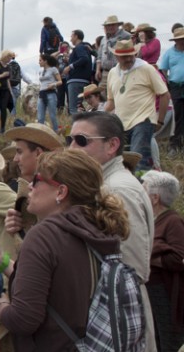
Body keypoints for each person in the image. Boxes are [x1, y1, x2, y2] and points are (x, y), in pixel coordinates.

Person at [0, 149, 130, 351]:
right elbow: (58, 288)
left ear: (61, 192)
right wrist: (3, 262)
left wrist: (0, 305)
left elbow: (23, 319)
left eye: (37, 180)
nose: (29, 186)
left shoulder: (43, 237)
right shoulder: (99, 231)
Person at [68, 111, 156, 351]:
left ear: (112, 145)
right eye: (70, 140)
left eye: (82, 140)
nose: (72, 148)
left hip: (119, 319)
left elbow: (132, 268)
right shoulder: (107, 184)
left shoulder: (118, 189)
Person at [104, 39, 170, 172]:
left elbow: (164, 94)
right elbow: (111, 101)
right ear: (117, 56)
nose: (128, 59)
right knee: (124, 161)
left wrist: (160, 120)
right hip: (121, 123)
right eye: (124, 56)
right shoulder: (112, 73)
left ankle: (142, 188)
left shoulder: (146, 68)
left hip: (143, 120)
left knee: (139, 159)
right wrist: (98, 116)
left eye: (131, 55)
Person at [142, 171, 184, 351]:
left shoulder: (173, 221)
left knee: (166, 340)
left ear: (155, 198)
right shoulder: (153, 221)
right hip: (153, 290)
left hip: (165, 293)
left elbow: (178, 258)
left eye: (145, 191)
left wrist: (149, 257)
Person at [159, 27, 184, 154]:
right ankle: (175, 144)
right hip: (176, 86)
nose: (182, 41)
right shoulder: (169, 53)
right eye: (180, 39)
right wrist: (168, 82)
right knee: (178, 115)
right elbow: (163, 69)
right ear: (176, 40)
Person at [96, 14, 131, 96]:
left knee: (118, 93)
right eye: (108, 25)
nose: (110, 27)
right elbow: (99, 56)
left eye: (112, 25)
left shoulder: (125, 36)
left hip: (120, 70)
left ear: (117, 25)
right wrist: (98, 70)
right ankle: (105, 109)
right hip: (105, 72)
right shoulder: (104, 39)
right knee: (101, 94)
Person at [36, 53, 62, 132]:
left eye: (40, 60)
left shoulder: (53, 69)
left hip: (51, 93)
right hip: (42, 93)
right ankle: (40, 133)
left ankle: (56, 131)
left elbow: (60, 81)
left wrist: (53, 84)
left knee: (52, 115)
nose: (39, 62)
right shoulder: (40, 71)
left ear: (45, 61)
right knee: (40, 116)